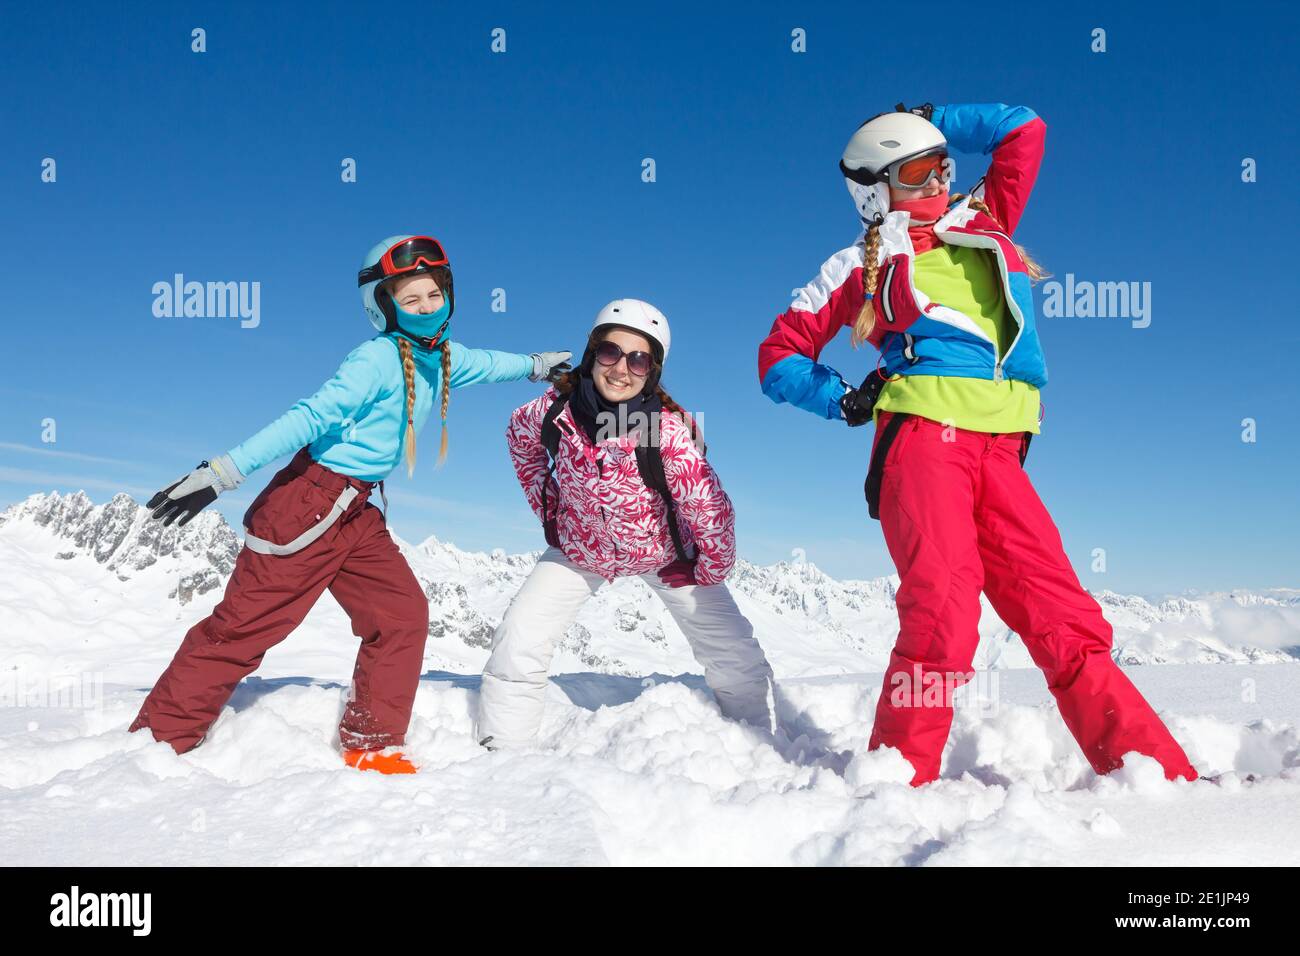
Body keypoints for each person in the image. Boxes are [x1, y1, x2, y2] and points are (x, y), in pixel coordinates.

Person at [757, 104, 1197, 785]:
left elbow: (1024, 128)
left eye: (943, 166)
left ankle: (1159, 778)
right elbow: (778, 356)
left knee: (1066, 619)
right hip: (925, 443)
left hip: (1002, 449)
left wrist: (930, 115)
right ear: (875, 190)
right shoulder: (858, 263)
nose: (937, 181)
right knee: (943, 616)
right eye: (916, 170)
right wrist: (843, 398)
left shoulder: (984, 220)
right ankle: (897, 782)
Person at [129, 235, 571, 773]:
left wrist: (538, 365)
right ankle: (156, 743)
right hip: (308, 502)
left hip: (356, 512)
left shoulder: (438, 358)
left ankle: (372, 742)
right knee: (244, 629)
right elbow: (309, 416)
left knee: (401, 614)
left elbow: (487, 363)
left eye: (434, 294)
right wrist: (222, 473)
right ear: (383, 307)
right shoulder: (376, 360)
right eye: (411, 300)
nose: (427, 307)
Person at [477, 299, 774, 749]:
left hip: (666, 553)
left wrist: (705, 570)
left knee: (733, 652)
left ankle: (759, 741)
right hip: (582, 547)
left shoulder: (663, 430)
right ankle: (501, 749)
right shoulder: (554, 412)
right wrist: (552, 514)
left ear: (652, 370)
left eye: (638, 359)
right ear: (592, 353)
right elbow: (521, 439)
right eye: (611, 352)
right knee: (520, 636)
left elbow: (711, 509)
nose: (621, 369)